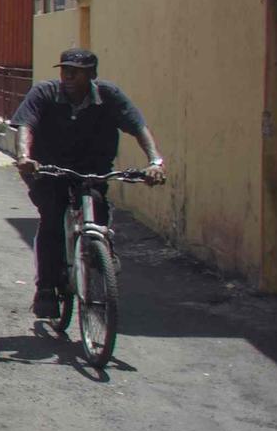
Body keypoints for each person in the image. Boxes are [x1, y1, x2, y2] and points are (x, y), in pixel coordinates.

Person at [13, 48, 165, 319]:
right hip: (48, 169)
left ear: (92, 75)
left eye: (76, 72)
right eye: (65, 71)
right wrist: (25, 157)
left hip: (92, 169)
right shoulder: (44, 93)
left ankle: (99, 252)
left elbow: (137, 125)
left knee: (98, 211)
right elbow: (26, 125)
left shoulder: (109, 96)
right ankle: (46, 288)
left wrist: (155, 162)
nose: (68, 76)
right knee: (52, 220)